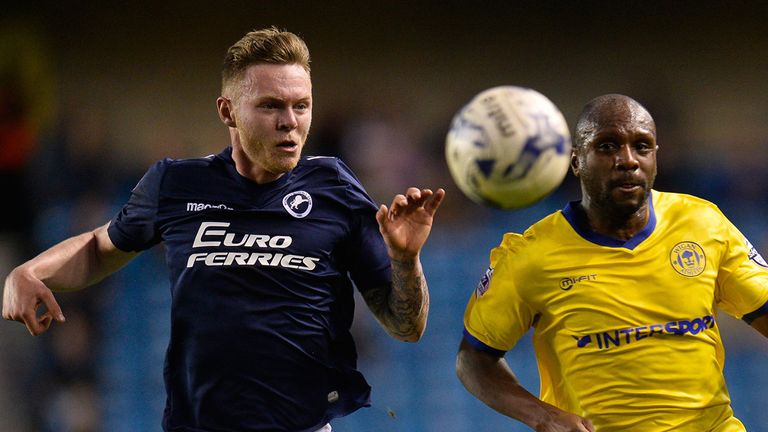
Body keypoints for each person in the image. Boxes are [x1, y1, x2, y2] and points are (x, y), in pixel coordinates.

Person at [2, 27, 445, 432]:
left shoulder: (336, 189)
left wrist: (405, 260)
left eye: (301, 105)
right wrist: (30, 272)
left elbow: (407, 326)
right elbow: (101, 247)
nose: (290, 121)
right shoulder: (176, 184)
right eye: (271, 105)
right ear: (228, 111)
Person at [456, 94, 768, 432]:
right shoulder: (530, 257)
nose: (628, 160)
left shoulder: (704, 224)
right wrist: (543, 416)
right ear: (576, 161)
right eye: (607, 147)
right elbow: (473, 359)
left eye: (642, 146)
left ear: (656, 159)